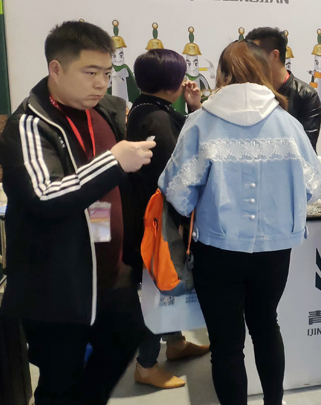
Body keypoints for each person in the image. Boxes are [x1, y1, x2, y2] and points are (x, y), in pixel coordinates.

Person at [158, 40, 321, 405]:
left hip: (217, 248)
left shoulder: (200, 122)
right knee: (266, 326)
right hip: (274, 250)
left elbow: (178, 192)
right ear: (263, 73)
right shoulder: (288, 124)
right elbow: (314, 187)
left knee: (226, 345)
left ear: (223, 74)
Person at [0, 21, 155, 404]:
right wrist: (114, 161)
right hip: (55, 285)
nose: (101, 83)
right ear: (56, 68)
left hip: (111, 274)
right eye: (90, 73)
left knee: (128, 337)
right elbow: (45, 195)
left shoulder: (106, 111)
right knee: (59, 380)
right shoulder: (30, 124)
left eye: (106, 73)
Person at [124, 49, 210, 389]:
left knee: (164, 282)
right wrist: (185, 219)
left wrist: (192, 108)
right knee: (162, 285)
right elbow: (177, 175)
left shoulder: (146, 109)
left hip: (150, 215)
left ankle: (174, 343)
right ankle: (146, 365)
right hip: (160, 219)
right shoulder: (157, 119)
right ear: (172, 82)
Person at [246, 26, 321, 150]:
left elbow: (306, 148)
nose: (249, 62)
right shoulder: (248, 91)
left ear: (275, 55)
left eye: (255, 56)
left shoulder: (306, 95)